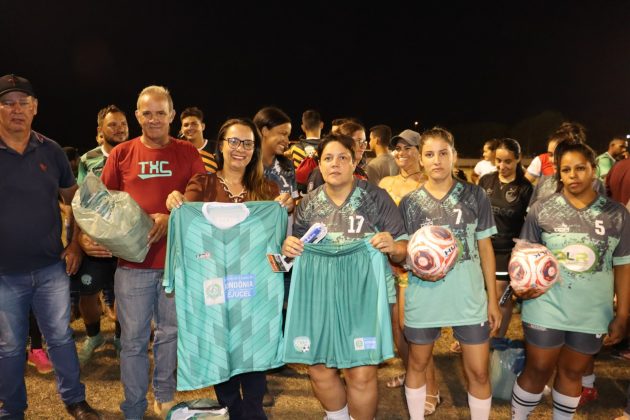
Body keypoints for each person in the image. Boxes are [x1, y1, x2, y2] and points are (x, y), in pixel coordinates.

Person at [282, 132, 408, 420]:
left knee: (360, 371)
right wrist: (289, 247)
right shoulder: (309, 203)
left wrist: (394, 246)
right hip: (318, 293)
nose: (335, 163)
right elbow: (294, 251)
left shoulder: (375, 197)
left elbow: (403, 248)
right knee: (318, 367)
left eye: (342, 157)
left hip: (365, 293)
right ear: (319, 164)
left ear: (354, 162)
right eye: (328, 158)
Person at [166, 118, 282, 420]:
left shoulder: (267, 190)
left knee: (253, 348)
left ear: (255, 150)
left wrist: (284, 210)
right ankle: (232, 409)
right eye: (234, 141)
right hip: (214, 286)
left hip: (253, 288)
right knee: (220, 345)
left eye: (248, 143)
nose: (240, 149)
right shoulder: (202, 184)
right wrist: (176, 202)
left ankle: (253, 410)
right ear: (221, 145)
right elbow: (189, 223)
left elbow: (277, 240)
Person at [100, 85, 205, 419]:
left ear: (172, 115)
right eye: (147, 113)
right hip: (133, 265)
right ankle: (133, 406)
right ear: (138, 116)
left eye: (161, 113)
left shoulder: (187, 152)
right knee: (132, 340)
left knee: (169, 334)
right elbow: (104, 204)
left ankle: (164, 396)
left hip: (175, 263)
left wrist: (172, 217)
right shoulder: (122, 154)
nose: (154, 119)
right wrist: (134, 225)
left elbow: (202, 195)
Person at [0, 74, 99, 419]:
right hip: (4, 274)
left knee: (60, 338)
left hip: (50, 268)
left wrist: (76, 245)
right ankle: (12, 409)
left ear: (35, 107)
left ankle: (75, 400)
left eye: (23, 102)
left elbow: (77, 202)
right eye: (7, 103)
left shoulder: (51, 150)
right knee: (10, 346)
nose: (16, 109)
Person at [511, 140, 630, 420]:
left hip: (591, 310)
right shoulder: (542, 209)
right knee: (538, 368)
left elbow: (624, 265)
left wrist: (623, 314)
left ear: (593, 170)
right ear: (559, 174)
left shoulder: (616, 214)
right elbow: (523, 255)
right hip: (546, 304)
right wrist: (522, 287)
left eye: (580, 168)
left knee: (573, 372)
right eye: (566, 170)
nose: (573, 175)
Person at [399, 127, 500, 420]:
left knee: (479, 371)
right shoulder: (409, 203)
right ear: (420, 159)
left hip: (467, 295)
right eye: (430, 154)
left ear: (454, 155)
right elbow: (404, 255)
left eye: (443, 153)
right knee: (417, 364)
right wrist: (405, 293)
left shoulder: (475, 195)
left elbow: (485, 248)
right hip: (424, 294)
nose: (437, 160)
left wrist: (492, 299)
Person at [379, 130, 440, 416]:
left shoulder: (430, 184)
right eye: (398, 149)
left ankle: (432, 388)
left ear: (420, 151)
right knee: (397, 331)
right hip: (387, 262)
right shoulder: (386, 183)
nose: (401, 153)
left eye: (408, 148)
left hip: (416, 265)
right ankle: (411, 373)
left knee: (414, 330)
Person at [74, 104, 129, 364]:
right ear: (100, 130)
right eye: (112, 125)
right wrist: (78, 241)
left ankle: (119, 338)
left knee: (124, 295)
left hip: (127, 241)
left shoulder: (136, 154)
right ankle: (94, 336)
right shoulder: (88, 159)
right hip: (96, 241)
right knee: (87, 293)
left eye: (123, 124)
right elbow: (79, 203)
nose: (119, 129)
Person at [478, 138, 533, 338]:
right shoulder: (486, 181)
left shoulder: (525, 188)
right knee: (481, 294)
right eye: (498, 161)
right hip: (482, 246)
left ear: (518, 159)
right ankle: (478, 335)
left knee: (501, 295)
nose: (502, 166)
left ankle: (496, 339)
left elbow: (529, 223)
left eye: (508, 161)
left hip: (506, 251)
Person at [253, 106, 297, 213]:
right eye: (283, 134)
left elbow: (295, 200)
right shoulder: (246, 166)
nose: (287, 141)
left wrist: (291, 204)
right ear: (265, 131)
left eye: (288, 136)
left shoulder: (288, 166)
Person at [307, 121, 369, 192]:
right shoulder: (323, 172)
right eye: (359, 141)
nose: (363, 146)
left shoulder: (361, 173)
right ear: (344, 141)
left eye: (364, 142)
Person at [179, 106, 218, 173]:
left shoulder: (216, 148)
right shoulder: (177, 151)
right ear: (182, 129)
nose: (190, 128)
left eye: (194, 124)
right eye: (186, 125)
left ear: (203, 126)